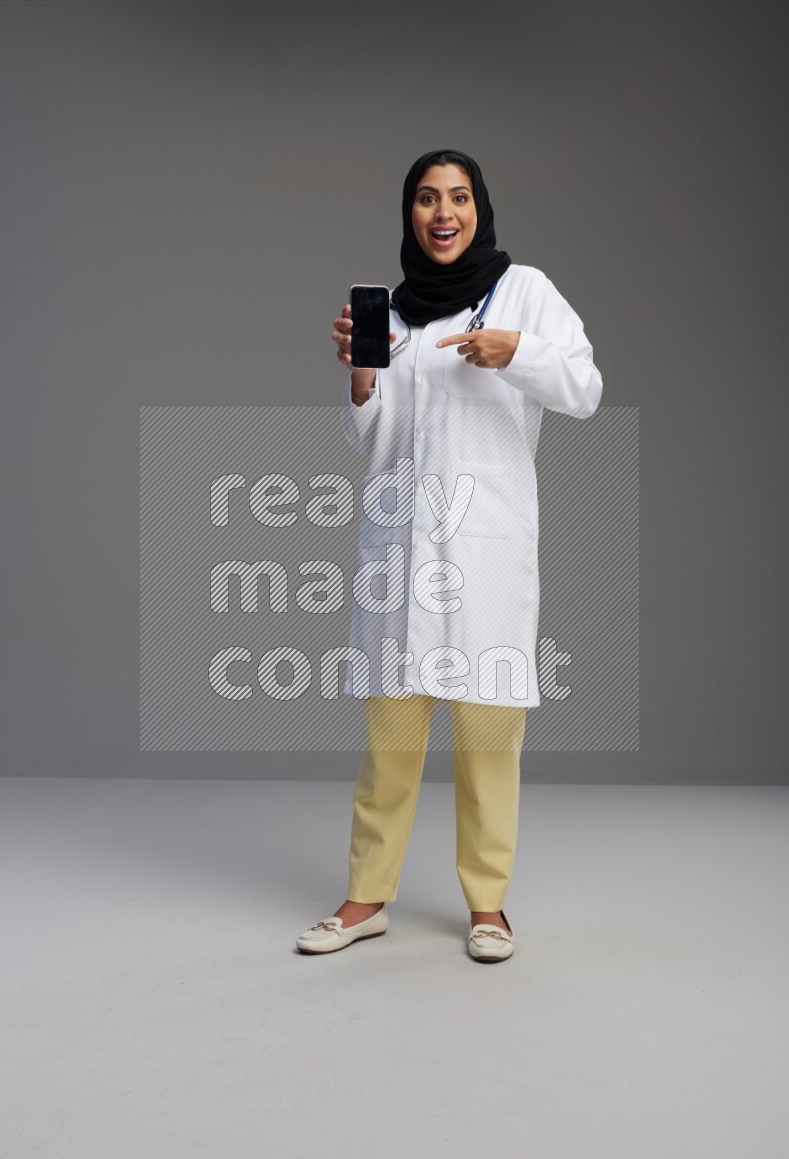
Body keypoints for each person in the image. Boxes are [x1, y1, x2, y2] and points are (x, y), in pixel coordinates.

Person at [296, 149, 603, 962]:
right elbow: (373, 439)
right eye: (428, 199)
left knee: (490, 740)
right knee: (391, 740)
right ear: (410, 213)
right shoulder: (391, 314)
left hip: (487, 555)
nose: (443, 213)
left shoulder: (523, 291)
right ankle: (366, 898)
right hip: (403, 551)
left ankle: (489, 906)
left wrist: (517, 354)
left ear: (479, 208)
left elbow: (584, 386)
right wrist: (363, 378)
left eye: (459, 197)